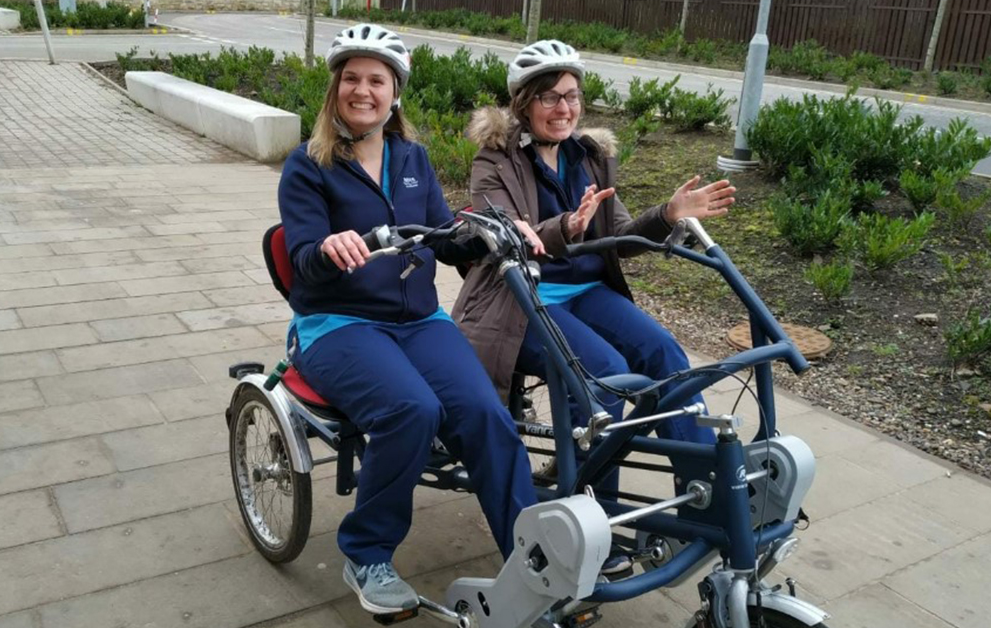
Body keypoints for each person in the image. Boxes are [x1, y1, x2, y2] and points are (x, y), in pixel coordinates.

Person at [277, 24, 538, 615]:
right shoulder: (308, 166)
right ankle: (367, 551)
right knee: (411, 411)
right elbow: (301, 261)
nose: (362, 90)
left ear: (395, 93)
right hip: (337, 325)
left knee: (485, 414)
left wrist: (489, 234)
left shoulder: (412, 157)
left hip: (419, 321)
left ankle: (530, 555)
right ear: (334, 89)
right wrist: (327, 248)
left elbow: (445, 239)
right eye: (351, 78)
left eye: (376, 80)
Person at [452, 39, 735, 572]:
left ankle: (700, 497)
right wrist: (567, 226)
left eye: (573, 96)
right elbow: (506, 235)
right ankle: (595, 524)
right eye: (550, 97)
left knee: (665, 355)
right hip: (520, 299)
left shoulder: (591, 156)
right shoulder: (495, 161)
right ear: (523, 103)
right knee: (603, 375)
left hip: (586, 292)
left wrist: (669, 213)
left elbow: (622, 236)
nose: (565, 109)